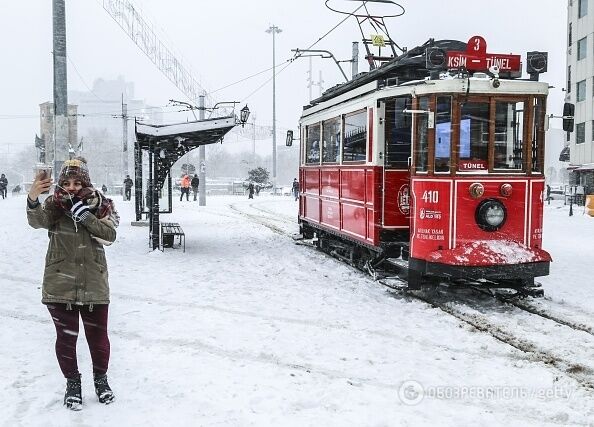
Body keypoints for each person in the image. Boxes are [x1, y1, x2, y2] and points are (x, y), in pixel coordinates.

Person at [26, 157, 119, 411]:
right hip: (59, 282)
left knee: (97, 337)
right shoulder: (54, 206)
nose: (72, 187)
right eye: (66, 182)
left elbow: (110, 234)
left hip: (94, 282)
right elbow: (36, 221)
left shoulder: (101, 204)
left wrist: (86, 216)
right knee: (66, 339)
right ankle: (73, 384)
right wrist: (33, 197)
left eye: (78, 182)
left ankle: (101, 381)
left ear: (86, 181)